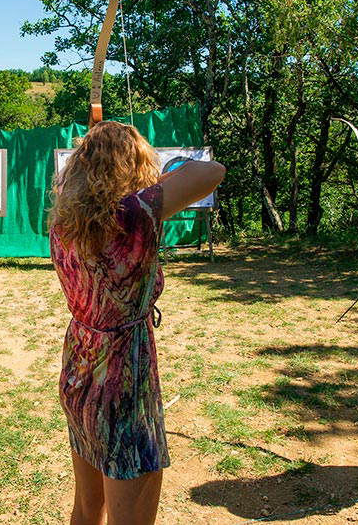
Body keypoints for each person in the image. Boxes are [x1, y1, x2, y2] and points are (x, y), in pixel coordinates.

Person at [49, 121, 225, 525]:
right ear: (133, 165)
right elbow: (211, 173)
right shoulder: (134, 212)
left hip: (79, 369)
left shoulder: (64, 220)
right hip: (123, 380)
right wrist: (145, 183)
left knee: (87, 510)